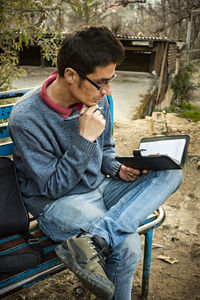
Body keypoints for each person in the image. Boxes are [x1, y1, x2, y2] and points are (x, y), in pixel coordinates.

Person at [9, 26, 182, 300]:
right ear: (71, 75)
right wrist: (84, 139)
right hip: (58, 204)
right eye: (102, 82)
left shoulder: (98, 99)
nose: (108, 90)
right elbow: (52, 187)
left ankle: (99, 236)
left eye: (111, 79)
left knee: (170, 174)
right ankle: (104, 239)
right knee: (126, 247)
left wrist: (118, 167)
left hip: (100, 188)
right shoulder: (26, 119)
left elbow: (107, 150)